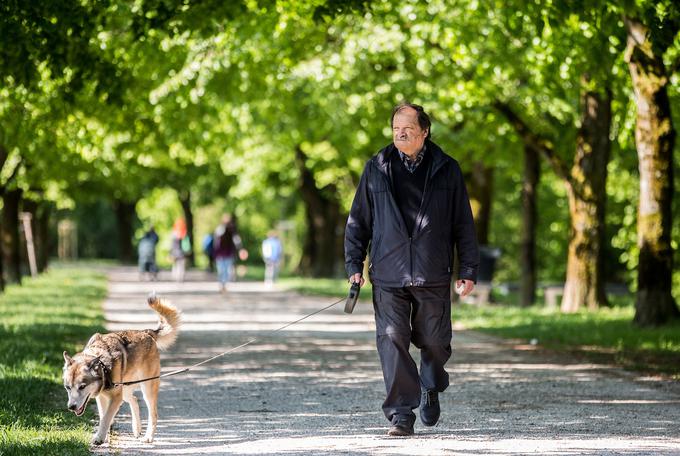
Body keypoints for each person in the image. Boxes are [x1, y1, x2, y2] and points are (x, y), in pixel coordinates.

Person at [344, 102, 479, 437]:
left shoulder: (447, 168)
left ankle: (430, 385)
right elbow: (358, 220)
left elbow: (463, 222)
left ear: (425, 132)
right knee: (392, 339)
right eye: (395, 129)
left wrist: (469, 268)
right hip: (388, 271)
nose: (400, 134)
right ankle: (401, 414)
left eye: (407, 129)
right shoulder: (376, 167)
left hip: (432, 271)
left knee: (434, 341)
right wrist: (354, 264)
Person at [213, 214, 248, 293]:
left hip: (228, 253)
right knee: (221, 270)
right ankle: (222, 285)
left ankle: (224, 285)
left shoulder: (232, 230)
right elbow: (215, 242)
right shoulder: (219, 229)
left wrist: (240, 249)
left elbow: (236, 240)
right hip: (220, 254)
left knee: (226, 271)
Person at [170, 218, 191, 282]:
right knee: (181, 266)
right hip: (181, 253)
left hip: (174, 252)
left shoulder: (173, 233)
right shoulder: (184, 233)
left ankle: (175, 276)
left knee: (175, 265)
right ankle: (180, 277)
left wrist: (170, 253)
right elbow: (186, 244)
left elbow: (171, 245)